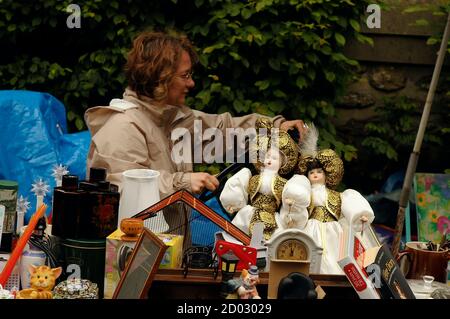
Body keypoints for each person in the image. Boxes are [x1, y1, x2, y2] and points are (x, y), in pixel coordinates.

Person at [85, 31, 306, 243]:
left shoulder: (172, 118)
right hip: (128, 262)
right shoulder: (122, 125)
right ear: (160, 78)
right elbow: (125, 190)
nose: (191, 83)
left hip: (165, 255)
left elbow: (224, 131)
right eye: (185, 75)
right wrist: (183, 182)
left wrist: (275, 128)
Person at [280, 125, 375, 274]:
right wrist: (293, 212)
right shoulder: (305, 194)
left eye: (319, 171)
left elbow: (351, 206)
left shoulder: (339, 195)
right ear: (307, 176)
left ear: (327, 174)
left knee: (336, 254)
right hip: (310, 229)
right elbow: (299, 209)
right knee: (309, 254)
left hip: (334, 229)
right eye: (311, 172)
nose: (315, 174)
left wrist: (360, 214)